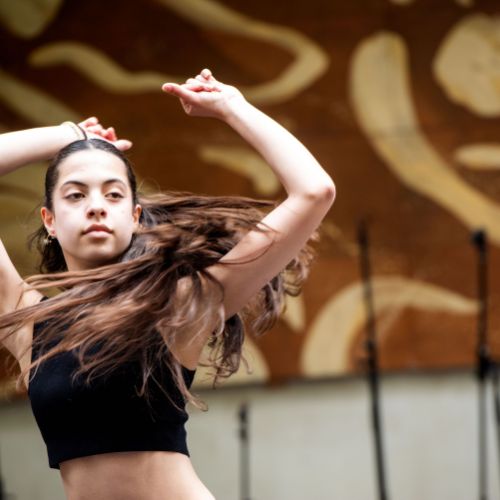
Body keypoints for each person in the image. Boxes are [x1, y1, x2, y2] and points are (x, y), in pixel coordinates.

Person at [0, 68, 335, 500]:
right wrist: (70, 135)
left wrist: (232, 107)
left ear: (135, 217)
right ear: (49, 220)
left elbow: (314, 191)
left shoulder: (178, 306)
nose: (96, 206)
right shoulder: (28, 322)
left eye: (113, 194)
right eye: (76, 194)